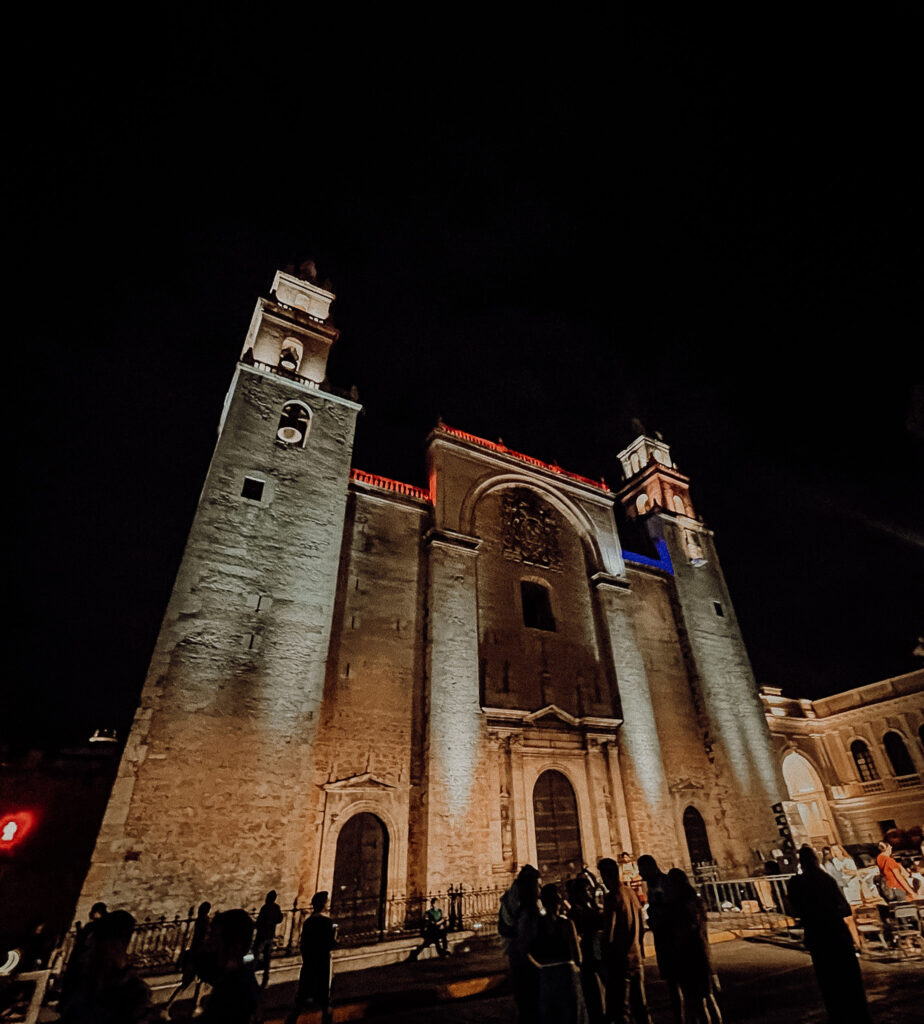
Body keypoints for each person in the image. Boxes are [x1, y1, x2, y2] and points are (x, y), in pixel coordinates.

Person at [788, 845, 870, 1024]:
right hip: (836, 932)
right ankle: (859, 1013)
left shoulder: (796, 883)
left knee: (828, 979)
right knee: (849, 976)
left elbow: (793, 909)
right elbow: (844, 907)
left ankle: (837, 1014)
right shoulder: (826, 879)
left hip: (817, 933)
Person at [57, 910, 158, 1023]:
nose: (85, 957)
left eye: (92, 948)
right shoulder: (89, 984)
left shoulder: (133, 994)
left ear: (113, 947)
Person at [597, 857, 652, 1024]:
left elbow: (610, 932)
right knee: (641, 1007)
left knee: (622, 1010)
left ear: (606, 876)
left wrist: (604, 956)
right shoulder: (631, 893)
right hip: (636, 958)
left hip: (620, 961)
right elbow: (642, 926)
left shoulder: (612, 897)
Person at [665, 869, 722, 1024]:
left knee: (696, 1003)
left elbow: (684, 933)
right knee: (708, 998)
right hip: (702, 954)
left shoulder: (681, 906)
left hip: (689, 957)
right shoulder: (696, 902)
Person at [528, 883, 589, 1024]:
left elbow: (527, 950)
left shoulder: (537, 924)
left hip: (547, 975)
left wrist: (541, 967)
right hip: (567, 974)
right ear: (559, 901)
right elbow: (578, 956)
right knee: (573, 1016)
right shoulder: (567, 924)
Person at [637, 855, 681, 1024]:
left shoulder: (664, 883)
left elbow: (670, 911)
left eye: (641, 870)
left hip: (673, 941)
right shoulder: (653, 885)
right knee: (673, 985)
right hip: (664, 941)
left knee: (679, 984)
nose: (640, 875)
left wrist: (654, 920)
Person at [197, 909, 261, 1024]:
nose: (207, 944)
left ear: (235, 947)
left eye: (214, 939)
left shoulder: (236, 993)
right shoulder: (231, 980)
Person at [499, 864, 542, 1024]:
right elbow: (525, 943)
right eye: (537, 886)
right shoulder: (526, 910)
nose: (540, 890)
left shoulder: (511, 899)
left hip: (517, 958)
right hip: (526, 963)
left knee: (526, 1005)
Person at [287, 891, 337, 1024]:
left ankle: (292, 1019)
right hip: (322, 962)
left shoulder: (308, 922)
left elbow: (303, 944)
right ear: (323, 904)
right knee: (323, 996)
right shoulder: (327, 922)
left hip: (309, 962)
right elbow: (329, 943)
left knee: (302, 994)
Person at [566, 874, 605, 1024]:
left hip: (597, 956)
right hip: (587, 959)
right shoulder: (576, 913)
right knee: (593, 995)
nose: (590, 893)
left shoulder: (591, 908)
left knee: (600, 994)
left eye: (589, 890)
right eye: (586, 891)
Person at [58, 902, 108, 1011]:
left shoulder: (99, 927)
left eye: (98, 913)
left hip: (88, 960)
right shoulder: (91, 927)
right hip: (81, 959)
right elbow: (82, 941)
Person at [165, 901, 211, 1014]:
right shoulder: (204, 922)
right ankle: (192, 1005)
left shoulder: (199, 921)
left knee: (195, 982)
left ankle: (195, 1004)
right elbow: (204, 938)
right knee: (195, 982)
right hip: (199, 956)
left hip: (195, 955)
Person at [253, 890, 283, 988]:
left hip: (262, 936)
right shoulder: (276, 908)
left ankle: (251, 978)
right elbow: (280, 919)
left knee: (256, 956)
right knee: (267, 959)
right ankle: (265, 980)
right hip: (270, 935)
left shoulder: (265, 908)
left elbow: (260, 921)